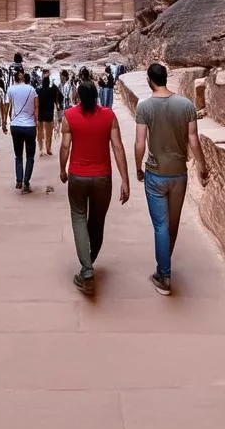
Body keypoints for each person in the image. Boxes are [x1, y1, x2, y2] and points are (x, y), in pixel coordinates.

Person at [135, 62, 210, 295]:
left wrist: (138, 167)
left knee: (160, 225)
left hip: (156, 173)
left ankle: (164, 275)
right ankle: (163, 266)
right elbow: (194, 140)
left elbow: (139, 142)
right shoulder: (186, 105)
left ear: (149, 80)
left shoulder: (145, 107)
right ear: (166, 78)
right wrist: (203, 167)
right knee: (172, 225)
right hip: (179, 173)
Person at [59, 79, 130, 294]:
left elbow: (64, 146)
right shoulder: (109, 116)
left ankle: (87, 269)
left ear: (78, 96)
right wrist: (125, 179)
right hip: (102, 178)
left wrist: (62, 169)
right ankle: (89, 264)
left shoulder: (69, 116)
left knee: (79, 217)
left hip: (78, 175)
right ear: (97, 95)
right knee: (97, 222)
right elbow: (118, 147)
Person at [7, 69, 38, 193]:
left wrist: (5, 122)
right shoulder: (32, 90)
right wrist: (37, 123)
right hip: (29, 126)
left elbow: (8, 106)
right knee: (30, 156)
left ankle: (19, 179)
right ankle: (26, 182)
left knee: (18, 155)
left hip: (16, 125)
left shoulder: (11, 89)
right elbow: (36, 107)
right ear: (24, 77)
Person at [37, 74, 61, 156]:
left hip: (40, 113)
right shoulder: (52, 90)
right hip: (49, 113)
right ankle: (48, 149)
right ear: (48, 83)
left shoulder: (38, 90)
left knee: (40, 132)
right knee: (49, 133)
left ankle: (40, 148)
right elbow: (58, 99)